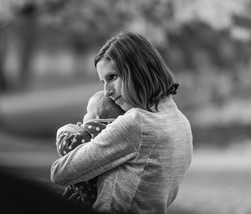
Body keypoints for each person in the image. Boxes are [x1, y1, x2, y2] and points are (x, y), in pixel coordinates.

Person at [51, 31, 193, 214]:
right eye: (103, 81)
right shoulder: (182, 124)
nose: (106, 91)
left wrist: (72, 129)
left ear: (137, 70)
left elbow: (60, 173)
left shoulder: (137, 123)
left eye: (112, 77)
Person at [56, 90, 125, 209]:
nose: (84, 116)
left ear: (97, 118)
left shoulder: (95, 130)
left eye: (87, 112)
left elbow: (66, 147)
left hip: (86, 196)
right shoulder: (118, 131)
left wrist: (66, 130)